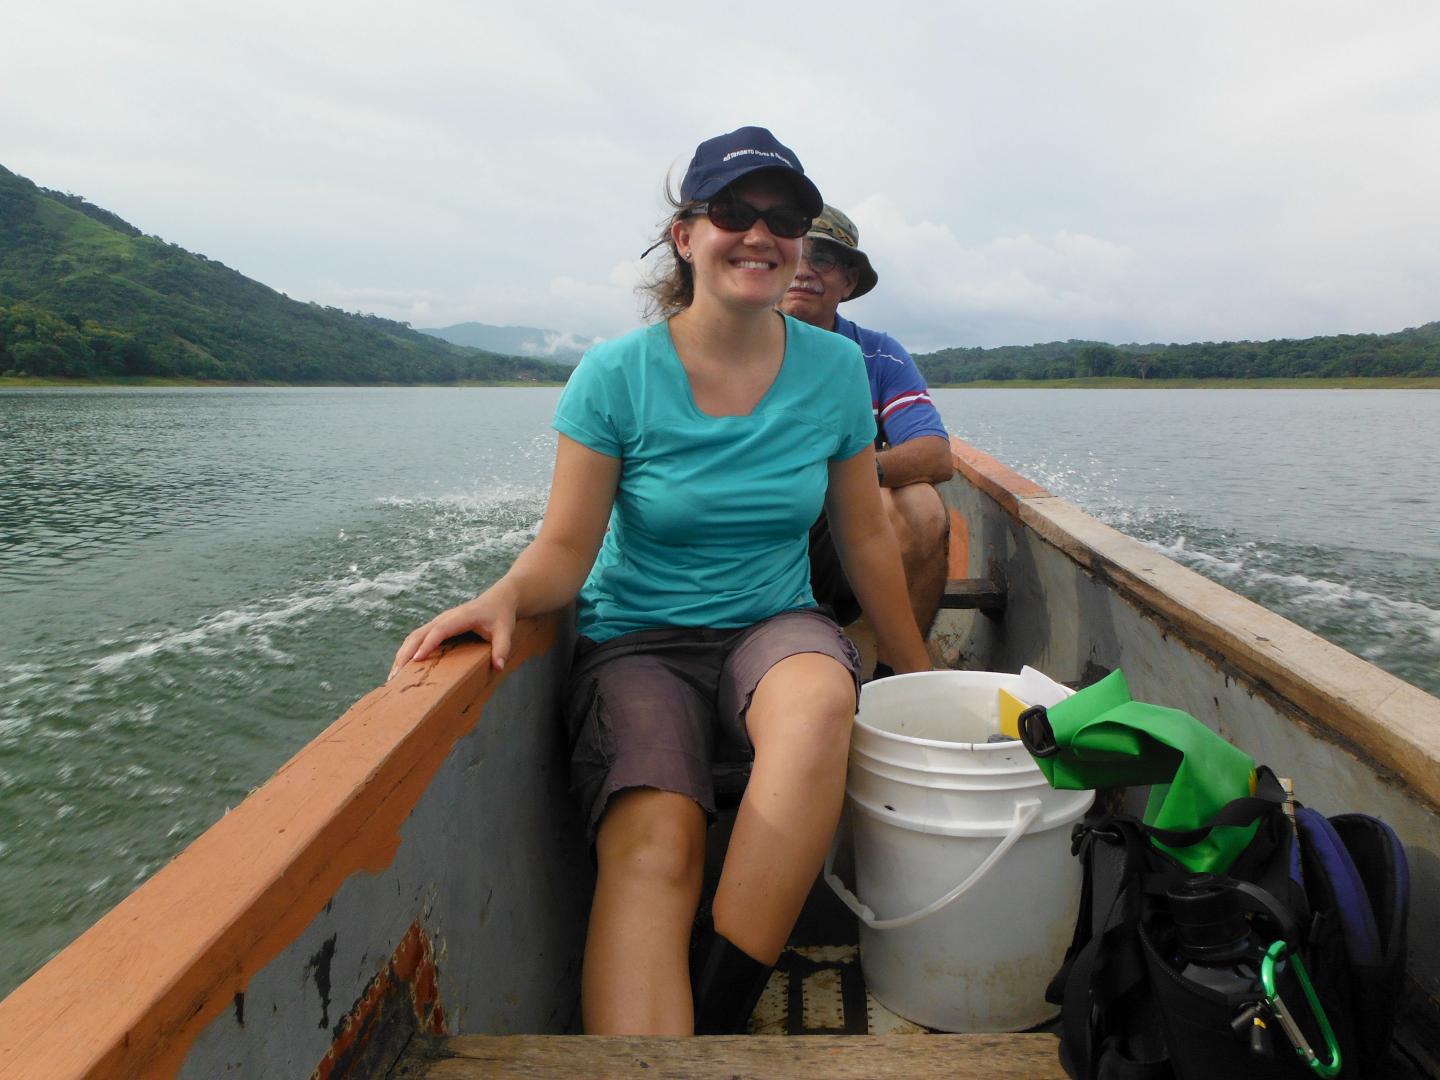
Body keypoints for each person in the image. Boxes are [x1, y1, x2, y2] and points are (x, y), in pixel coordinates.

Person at [388, 127, 931, 1037]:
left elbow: (864, 536)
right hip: (638, 639)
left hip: (774, 622)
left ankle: (718, 1015)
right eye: (733, 212)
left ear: (802, 240)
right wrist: (507, 596)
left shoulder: (836, 368)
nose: (759, 234)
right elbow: (566, 550)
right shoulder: (615, 375)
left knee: (819, 707)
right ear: (686, 235)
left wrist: (916, 670)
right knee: (658, 843)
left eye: (784, 218)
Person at [778, 206, 953, 655]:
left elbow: (935, 456)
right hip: (765, 517)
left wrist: (848, 473)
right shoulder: (741, 344)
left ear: (848, 282)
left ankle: (894, 668)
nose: (804, 271)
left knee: (922, 505)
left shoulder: (876, 355)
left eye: (823, 260)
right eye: (795, 254)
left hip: (842, 524)